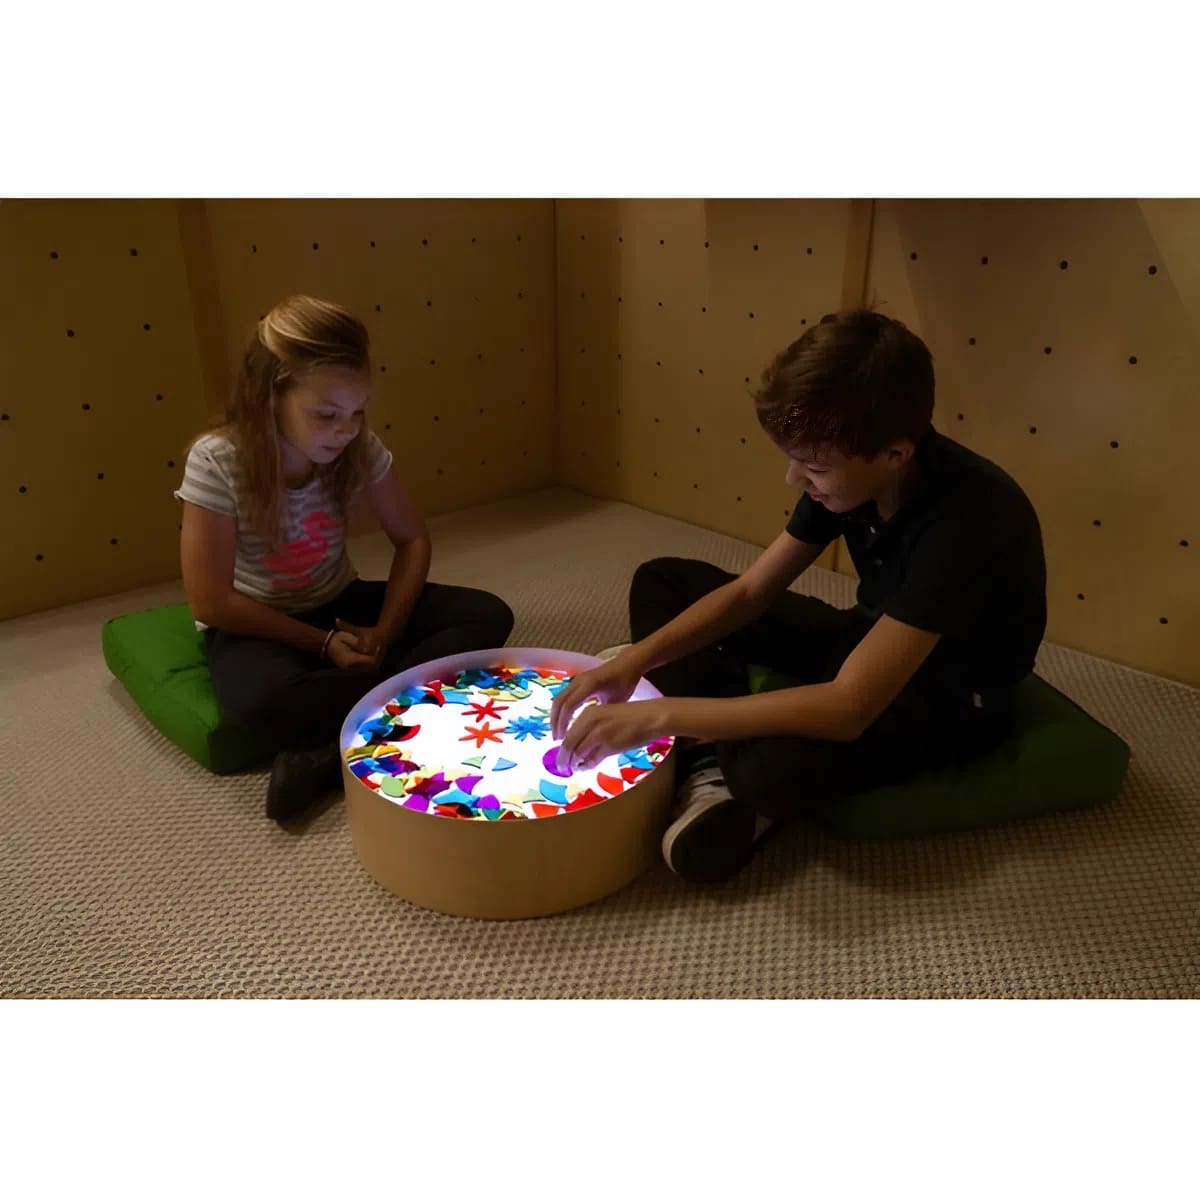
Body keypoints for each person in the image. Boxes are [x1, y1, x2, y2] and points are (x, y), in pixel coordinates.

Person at [551, 309, 1047, 884]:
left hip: (951, 697)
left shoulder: (966, 520)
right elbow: (750, 592)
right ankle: (710, 757)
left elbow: (849, 708)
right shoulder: (851, 472)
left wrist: (662, 715)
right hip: (872, 636)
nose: (794, 479)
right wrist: (633, 663)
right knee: (664, 581)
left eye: (812, 466)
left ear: (895, 454)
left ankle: (715, 772)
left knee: (770, 773)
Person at [176, 295, 514, 823]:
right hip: (259, 621)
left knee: (488, 615)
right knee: (261, 703)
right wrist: (323, 645)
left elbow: (412, 539)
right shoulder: (217, 460)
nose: (347, 428)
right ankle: (394, 710)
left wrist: (383, 630)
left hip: (337, 602)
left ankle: (325, 750)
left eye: (358, 412)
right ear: (270, 397)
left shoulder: (359, 448)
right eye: (326, 414)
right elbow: (211, 601)